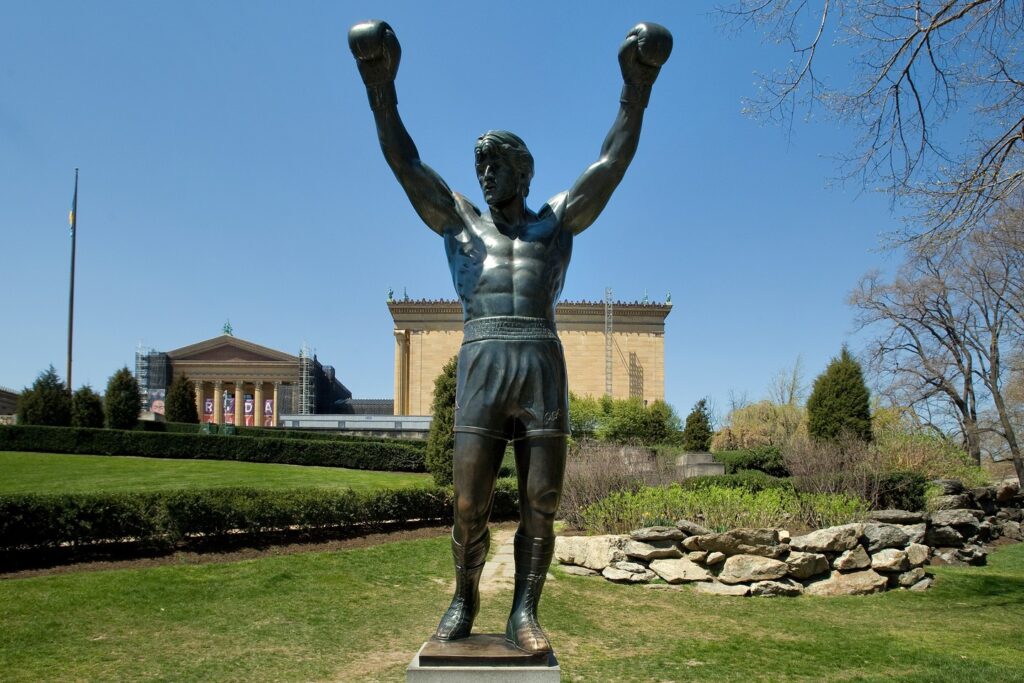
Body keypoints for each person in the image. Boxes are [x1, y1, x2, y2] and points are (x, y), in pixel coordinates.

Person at [349, 19, 671, 654]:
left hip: (542, 362)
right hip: (483, 361)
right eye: (480, 165)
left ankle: (526, 609)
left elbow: (611, 162)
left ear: (524, 172)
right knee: (468, 505)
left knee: (542, 500)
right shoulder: (460, 225)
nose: (486, 174)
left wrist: (637, 86)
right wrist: (379, 83)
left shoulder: (555, 225)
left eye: (497, 164)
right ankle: (464, 598)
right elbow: (404, 161)